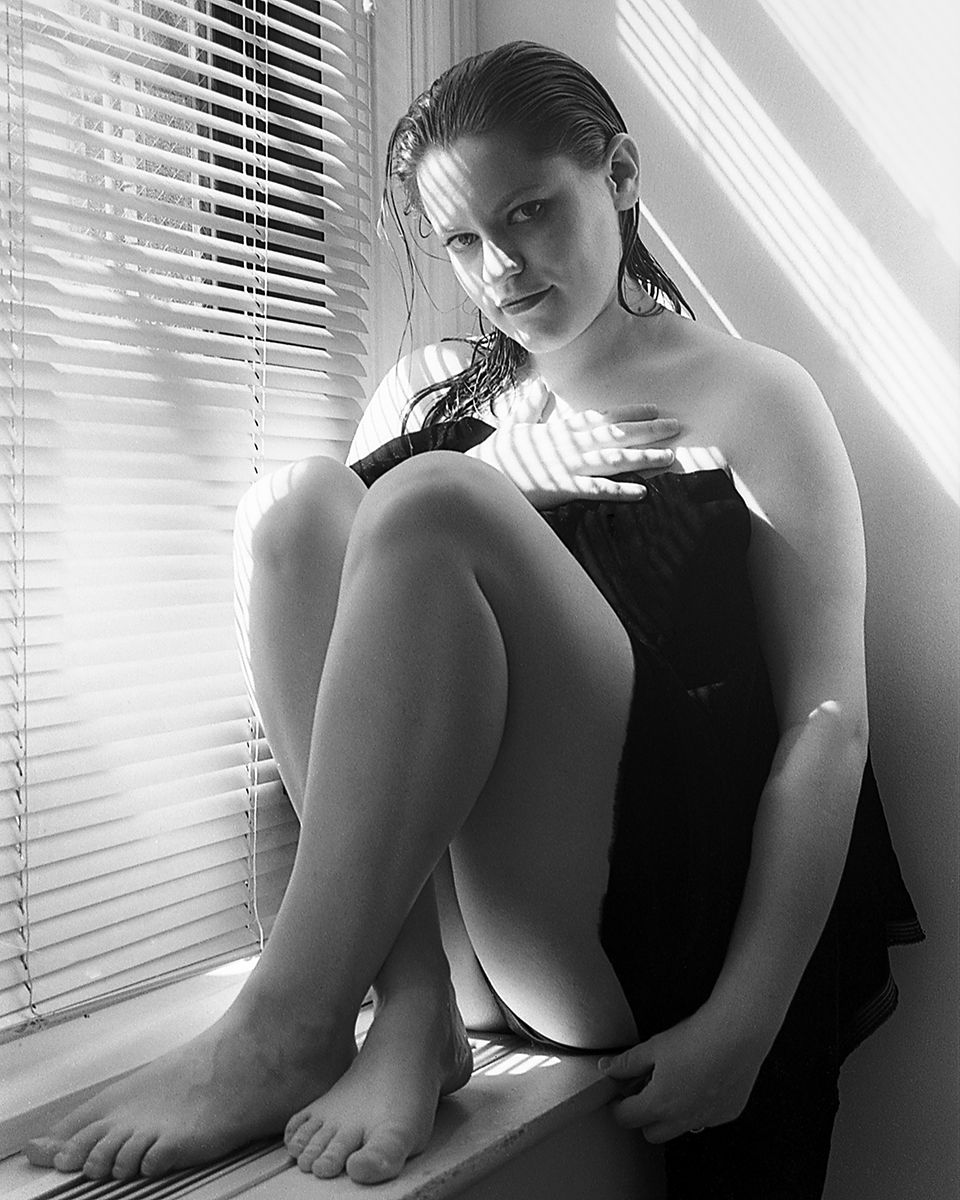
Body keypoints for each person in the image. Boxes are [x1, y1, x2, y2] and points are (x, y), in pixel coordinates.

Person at [25, 40, 922, 1199]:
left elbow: (828, 728)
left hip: (640, 926)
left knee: (430, 497)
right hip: (468, 945)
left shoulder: (750, 394)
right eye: (460, 240)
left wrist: (748, 1018)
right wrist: (503, 466)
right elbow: (344, 676)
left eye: (529, 213)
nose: (499, 267)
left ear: (621, 175)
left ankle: (285, 1023)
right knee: (292, 511)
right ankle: (406, 1016)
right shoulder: (426, 393)